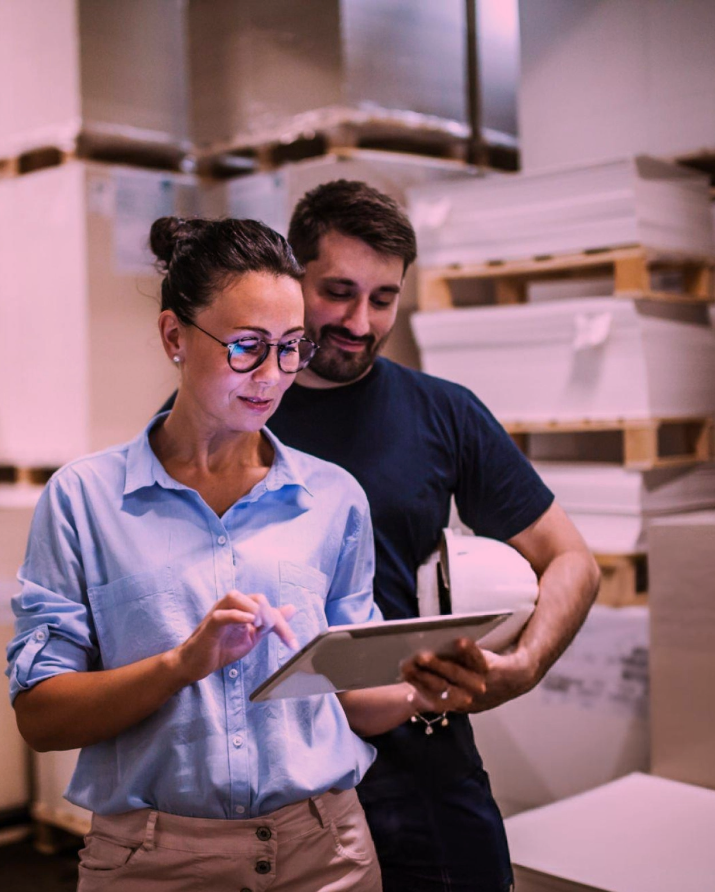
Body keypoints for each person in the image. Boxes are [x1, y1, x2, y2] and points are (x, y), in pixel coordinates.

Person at [7, 217, 475, 892]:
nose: (272, 377)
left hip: (327, 854)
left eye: (291, 348)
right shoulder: (84, 500)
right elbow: (41, 716)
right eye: (248, 347)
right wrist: (181, 663)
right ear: (174, 336)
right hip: (155, 864)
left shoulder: (333, 498)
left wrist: (417, 688)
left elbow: (346, 698)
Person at [269, 180, 601, 891]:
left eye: (383, 298)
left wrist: (524, 666)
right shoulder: (230, 407)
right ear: (292, 277)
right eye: (338, 291)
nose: (361, 320)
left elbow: (571, 559)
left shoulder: (441, 412)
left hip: (419, 769)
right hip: (273, 784)